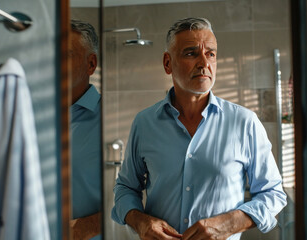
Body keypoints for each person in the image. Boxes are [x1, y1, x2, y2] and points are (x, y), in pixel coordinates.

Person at [111, 17, 287, 240]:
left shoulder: (245, 123)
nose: (204, 63)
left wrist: (228, 225)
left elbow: (273, 195)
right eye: (191, 53)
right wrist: (141, 222)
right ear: (167, 63)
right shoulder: (144, 123)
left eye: (211, 53)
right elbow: (125, 188)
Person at [69, 20, 101, 240]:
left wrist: (80, 229)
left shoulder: (113, 121)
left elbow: (138, 199)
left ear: (91, 64)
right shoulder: (30, 117)